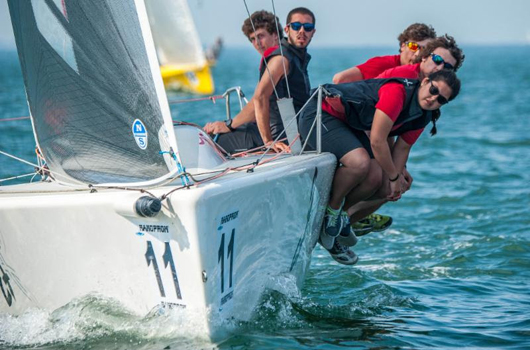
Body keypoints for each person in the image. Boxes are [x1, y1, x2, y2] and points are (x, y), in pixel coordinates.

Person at [299, 70, 461, 265]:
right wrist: (394, 176)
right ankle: (331, 213)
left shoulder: (424, 115)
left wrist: (395, 182)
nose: (433, 99)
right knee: (360, 163)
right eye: (433, 90)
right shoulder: (397, 92)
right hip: (320, 113)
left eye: (441, 100)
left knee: (380, 182)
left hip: (348, 126)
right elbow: (377, 141)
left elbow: (402, 148)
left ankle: (340, 218)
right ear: (425, 81)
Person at [344, 34, 465, 232]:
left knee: (396, 187)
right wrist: (392, 171)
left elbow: (401, 137)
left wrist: (398, 172)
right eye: (437, 60)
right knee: (378, 177)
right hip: (359, 126)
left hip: (377, 135)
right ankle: (338, 218)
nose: (440, 67)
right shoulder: (405, 77)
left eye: (448, 67)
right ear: (424, 57)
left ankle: (345, 225)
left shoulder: (429, 97)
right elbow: (379, 128)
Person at [204, 8, 316, 154]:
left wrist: (229, 125)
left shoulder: (278, 59)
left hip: (282, 136)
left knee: (213, 140)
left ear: (276, 35)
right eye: (252, 39)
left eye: (261, 36)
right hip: (296, 133)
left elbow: (259, 99)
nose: (257, 43)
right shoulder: (295, 56)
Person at [332, 23, 437, 84]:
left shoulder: (424, 74)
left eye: (424, 49)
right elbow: (340, 79)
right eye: (413, 46)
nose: (418, 53)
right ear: (402, 46)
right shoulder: (383, 64)